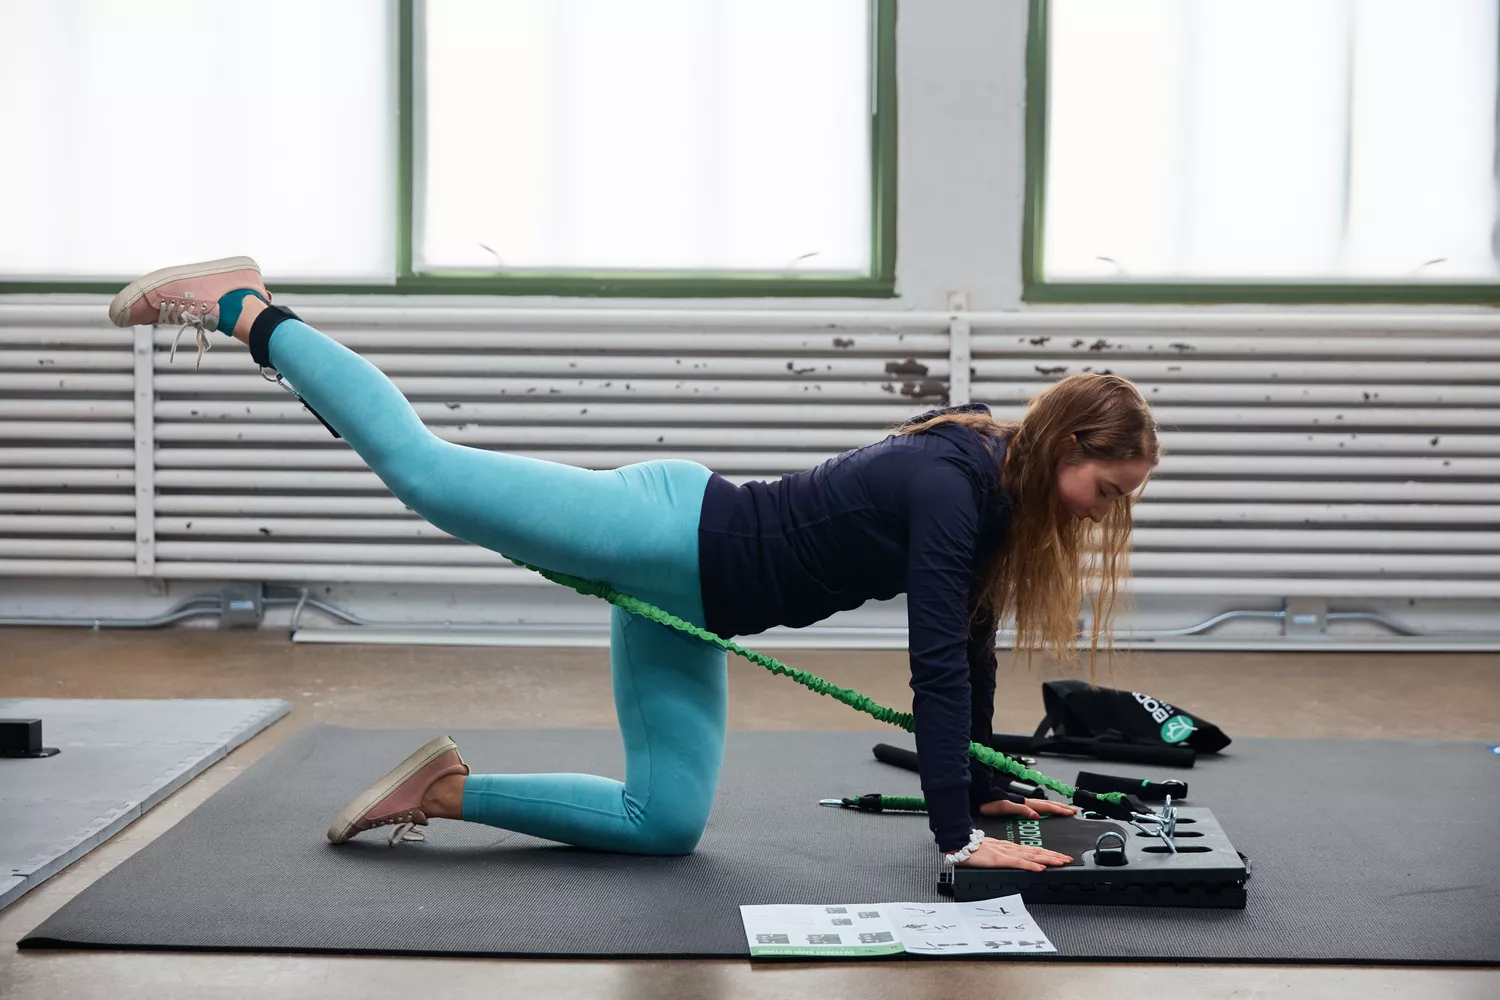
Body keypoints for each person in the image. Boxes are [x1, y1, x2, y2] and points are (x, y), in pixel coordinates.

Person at [108, 257, 1159, 871]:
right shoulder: (955, 482)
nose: (1106, 518)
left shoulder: (994, 497)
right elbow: (933, 659)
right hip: (669, 533)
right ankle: (247, 306)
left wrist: (979, 790)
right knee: (425, 473)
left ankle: (444, 790)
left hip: (691, 598)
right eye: (1109, 492)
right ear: (1072, 448)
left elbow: (970, 645)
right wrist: (955, 841)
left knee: (663, 825)